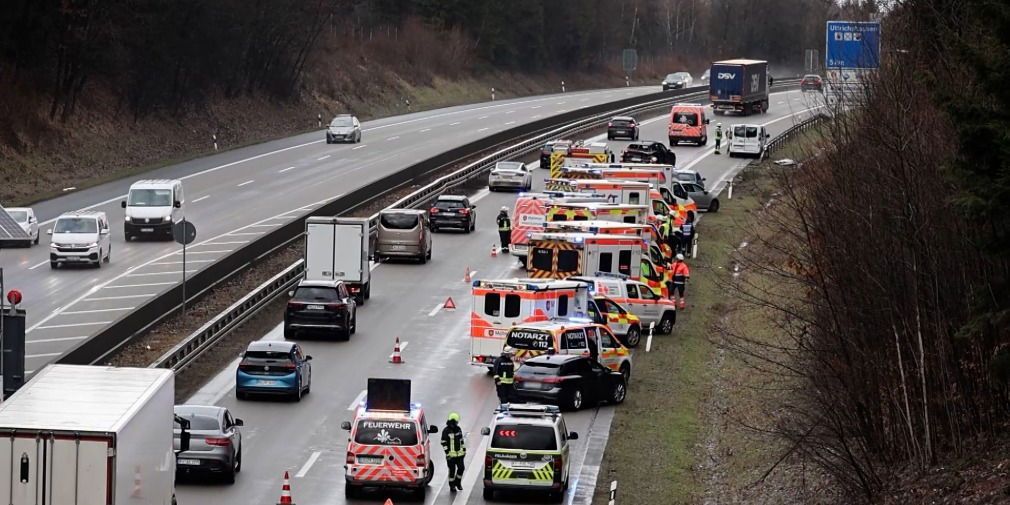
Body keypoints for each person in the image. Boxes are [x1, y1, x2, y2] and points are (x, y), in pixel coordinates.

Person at [442, 413, 466, 492]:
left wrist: (464, 449)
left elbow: (461, 440)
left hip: (459, 455)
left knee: (461, 468)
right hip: (451, 456)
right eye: (456, 422)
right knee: (452, 471)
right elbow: (443, 442)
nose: (457, 423)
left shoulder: (458, 429)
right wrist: (447, 453)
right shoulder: (446, 431)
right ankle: (452, 485)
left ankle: (458, 483)